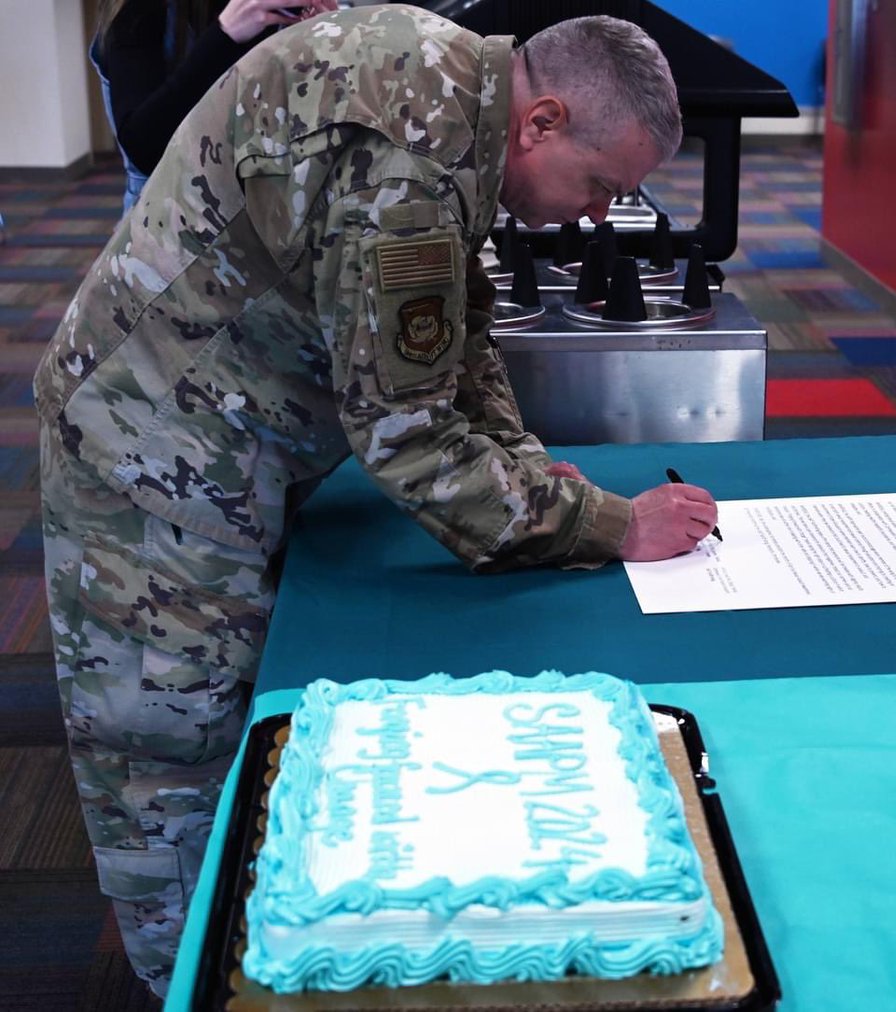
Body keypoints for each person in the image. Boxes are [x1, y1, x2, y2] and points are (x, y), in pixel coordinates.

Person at [35, 4, 718, 996]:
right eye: (600, 186)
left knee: (240, 752)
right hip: (149, 453)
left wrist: (520, 459)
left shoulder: (451, 90)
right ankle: (189, 985)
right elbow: (407, 436)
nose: (591, 216)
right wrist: (611, 524)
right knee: (173, 763)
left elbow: (453, 326)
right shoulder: (408, 150)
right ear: (543, 122)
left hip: (223, 420)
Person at [93, 0, 338, 212]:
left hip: (266, 213)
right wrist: (226, 34)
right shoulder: (141, 11)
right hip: (167, 224)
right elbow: (146, 148)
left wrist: (324, 42)